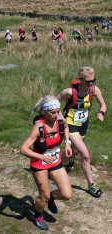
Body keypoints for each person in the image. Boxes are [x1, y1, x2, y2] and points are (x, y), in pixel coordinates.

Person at [20, 96, 72, 230]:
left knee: (66, 194)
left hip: (55, 160)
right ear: (44, 112)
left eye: (58, 111)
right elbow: (23, 149)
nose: (56, 115)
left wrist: (67, 143)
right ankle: (38, 215)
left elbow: (66, 127)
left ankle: (51, 198)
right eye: (52, 112)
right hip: (39, 163)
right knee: (44, 195)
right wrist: (42, 157)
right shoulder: (38, 127)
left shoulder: (60, 118)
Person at [57, 67, 106, 198]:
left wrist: (101, 113)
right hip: (70, 125)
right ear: (80, 79)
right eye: (87, 81)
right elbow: (55, 103)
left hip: (83, 125)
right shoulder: (69, 91)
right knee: (85, 155)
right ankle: (91, 185)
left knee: (72, 152)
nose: (91, 83)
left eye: (93, 80)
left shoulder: (94, 90)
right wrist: (61, 118)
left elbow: (103, 105)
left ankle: (54, 165)